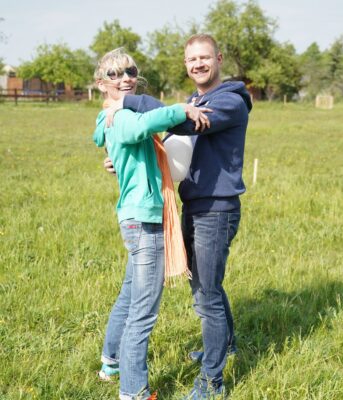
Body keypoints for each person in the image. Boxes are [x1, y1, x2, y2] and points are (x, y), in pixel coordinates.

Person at [105, 34, 252, 399]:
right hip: (195, 205)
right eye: (192, 60)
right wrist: (122, 161)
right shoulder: (195, 100)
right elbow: (169, 142)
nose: (198, 64)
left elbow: (185, 125)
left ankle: (212, 381)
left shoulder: (230, 101)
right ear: (186, 65)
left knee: (206, 296)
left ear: (219, 58)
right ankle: (225, 346)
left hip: (216, 209)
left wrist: (127, 100)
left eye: (204, 57)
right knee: (207, 287)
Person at [92, 47, 210, 400]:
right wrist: (182, 108)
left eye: (130, 71)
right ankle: (134, 391)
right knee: (142, 312)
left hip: (134, 218)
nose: (124, 78)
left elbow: (130, 136)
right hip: (143, 220)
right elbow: (142, 126)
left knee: (130, 295)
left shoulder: (113, 115)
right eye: (114, 74)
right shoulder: (120, 116)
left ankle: (111, 362)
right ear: (101, 83)